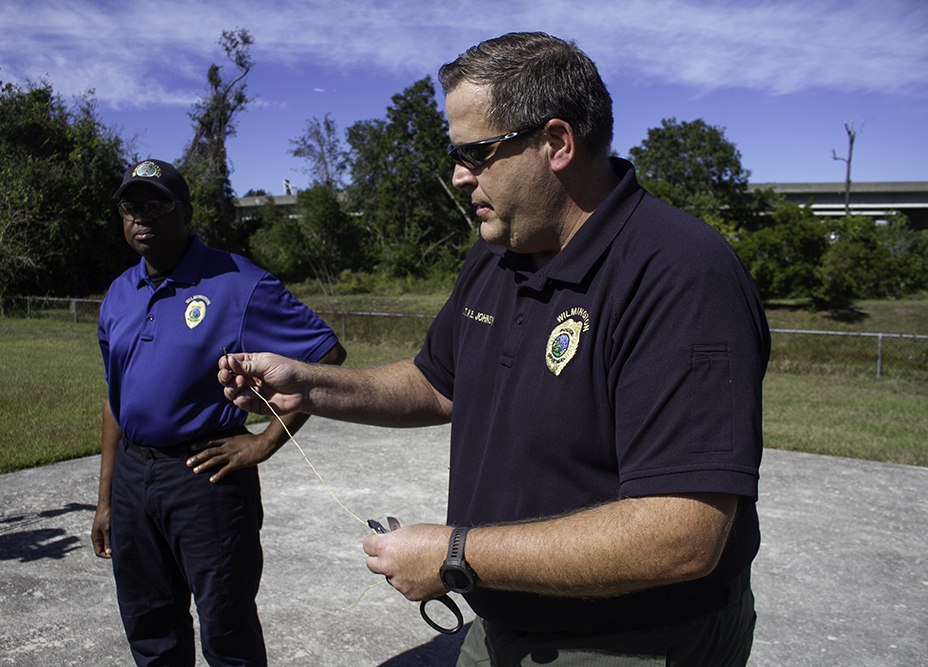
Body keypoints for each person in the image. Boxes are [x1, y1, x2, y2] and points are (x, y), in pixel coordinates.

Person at [221, 32, 770, 667]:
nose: (458, 176)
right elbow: (438, 382)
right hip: (504, 619)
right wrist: (311, 386)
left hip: (632, 642)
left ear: (556, 144)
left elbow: (684, 534)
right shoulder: (497, 254)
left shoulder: (679, 272)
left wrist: (456, 555)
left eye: (476, 153)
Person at [91, 158, 345, 667]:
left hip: (204, 478)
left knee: (226, 629)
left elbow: (325, 356)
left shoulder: (236, 282)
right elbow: (116, 398)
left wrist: (264, 441)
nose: (141, 217)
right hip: (133, 479)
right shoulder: (120, 292)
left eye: (156, 204)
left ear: (184, 212)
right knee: (149, 624)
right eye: (130, 206)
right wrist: (106, 498)